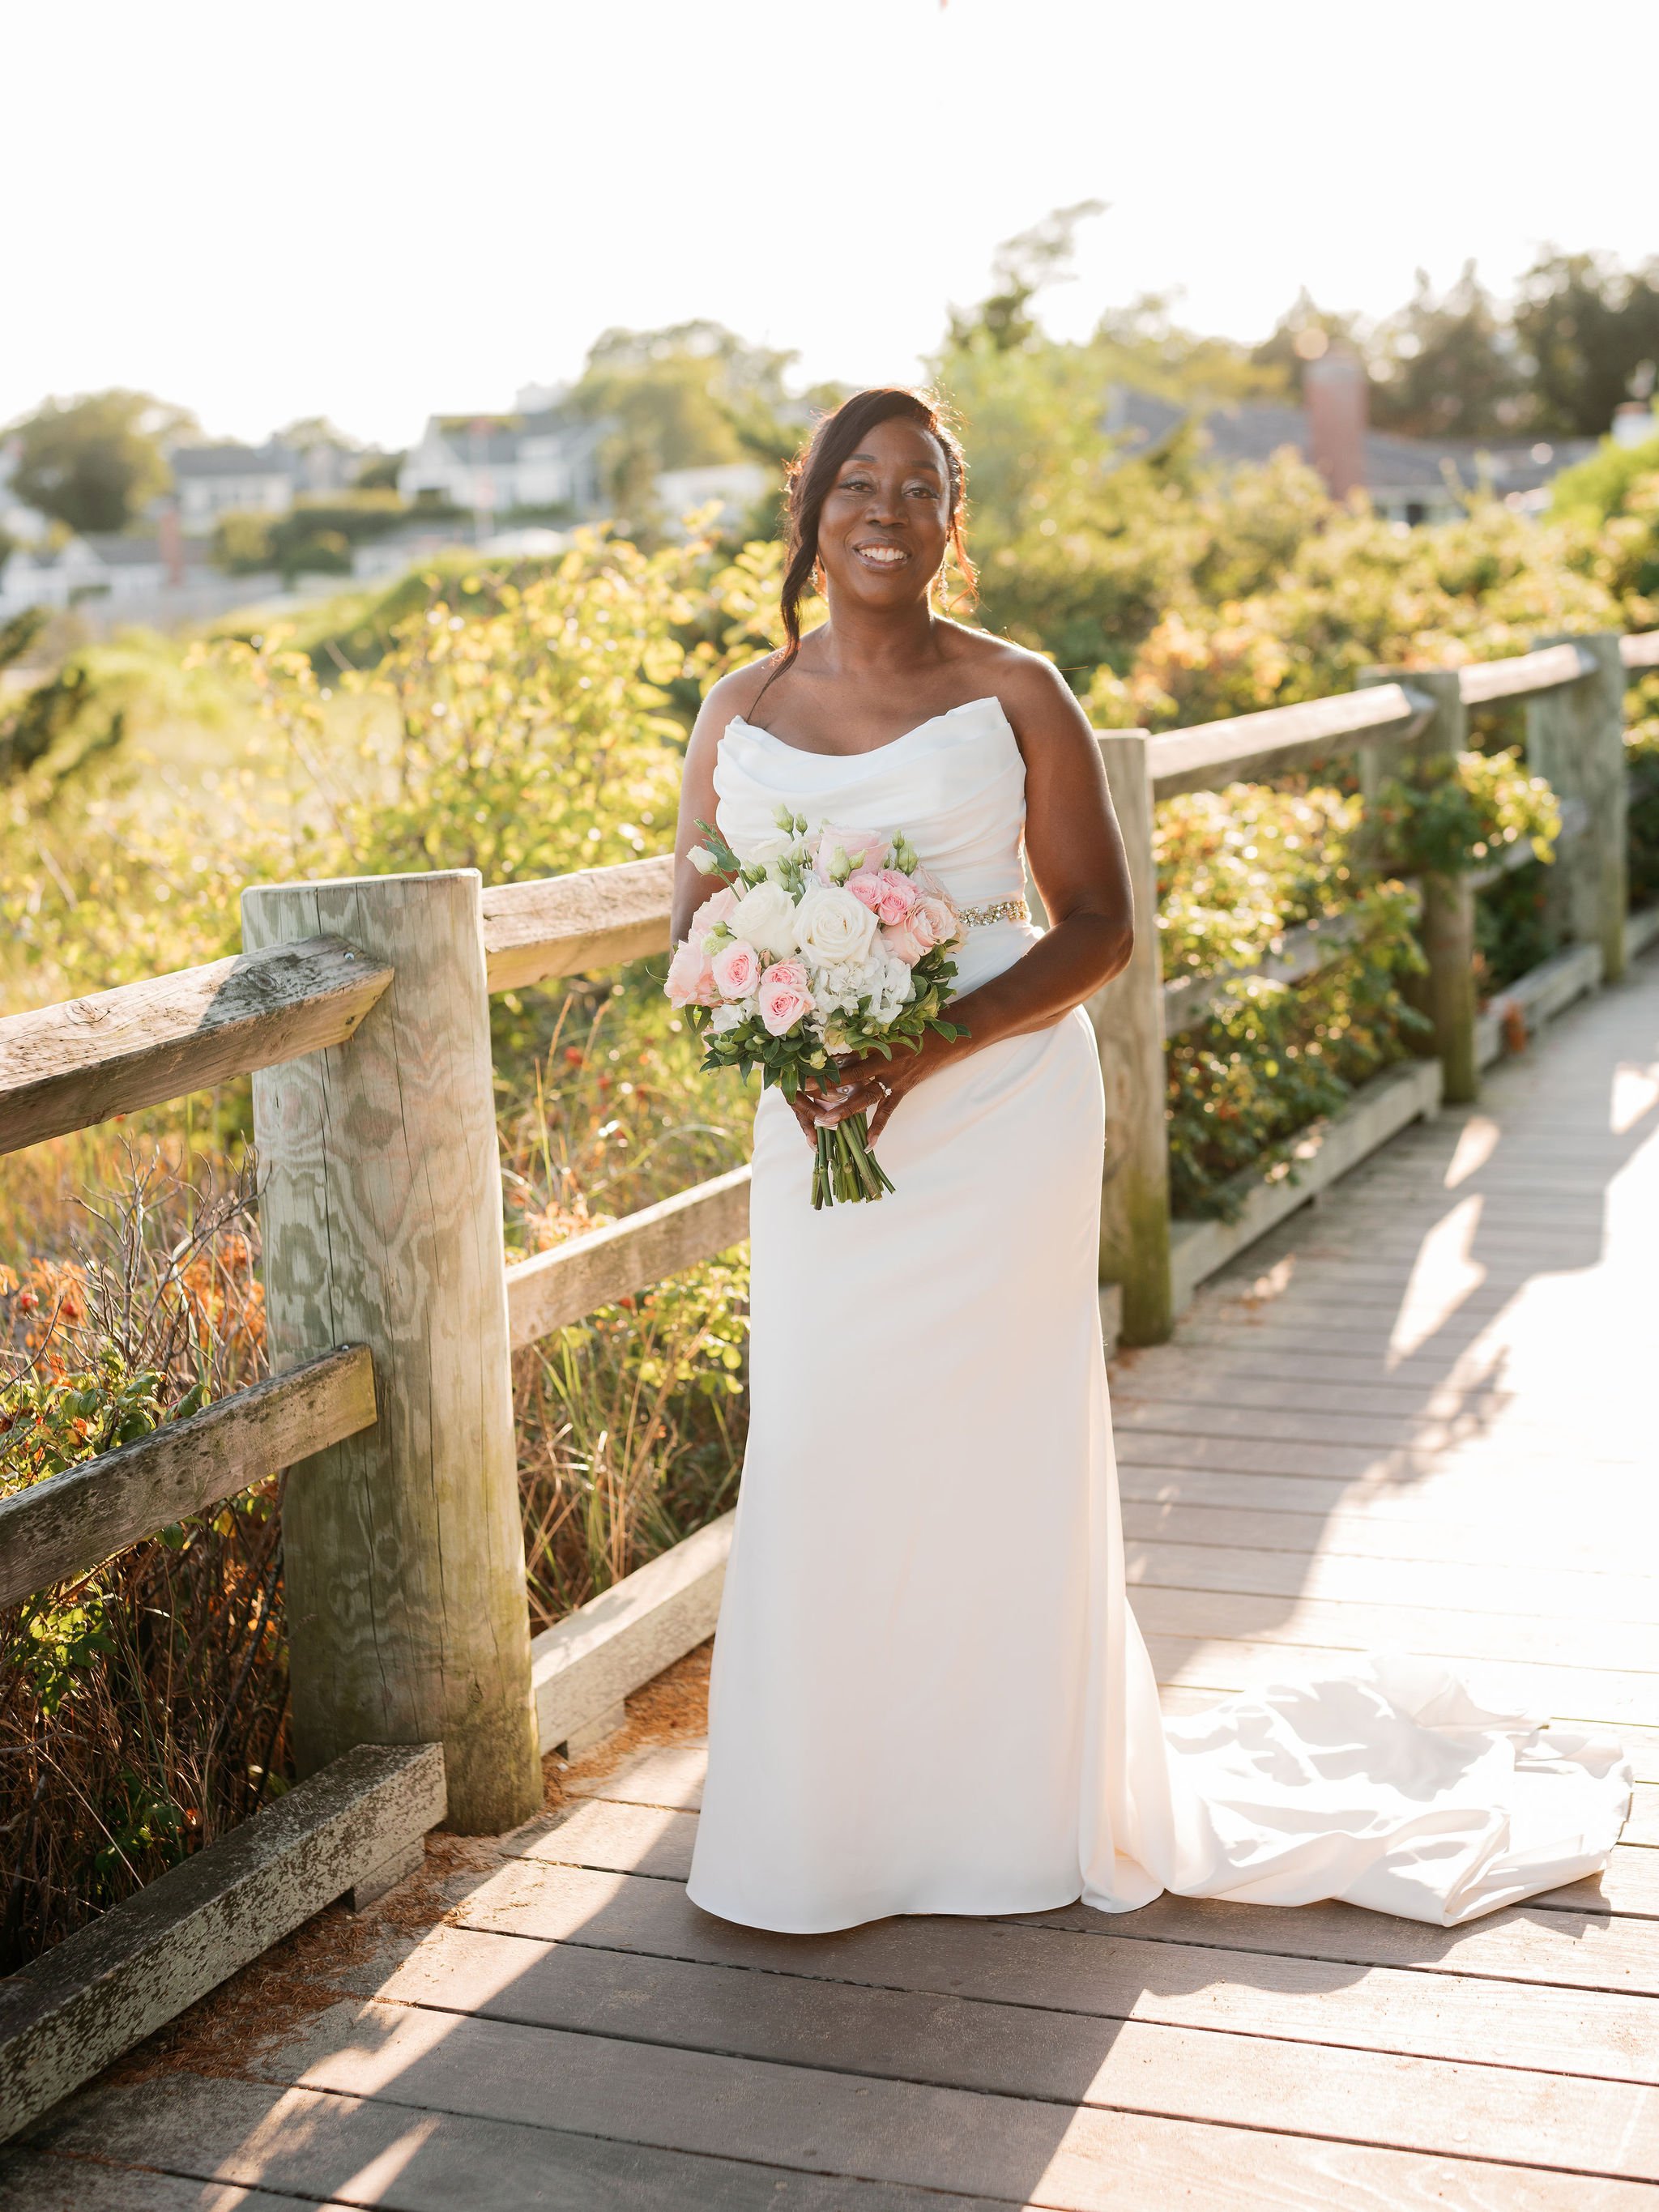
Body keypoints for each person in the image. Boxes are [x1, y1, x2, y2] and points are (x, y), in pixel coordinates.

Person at [669, 386, 1630, 1935]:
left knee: (997, 1437)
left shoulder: (1020, 691)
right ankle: (832, 1813)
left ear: (951, 523)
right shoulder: (741, 707)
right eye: (858, 484)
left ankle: (1005, 1808)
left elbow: (1099, 926)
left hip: (994, 1120)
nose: (885, 513)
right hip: (821, 1133)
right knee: (829, 1442)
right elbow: (699, 929)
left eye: (919, 489)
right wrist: (787, 1046)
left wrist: (920, 1044)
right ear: (809, 506)